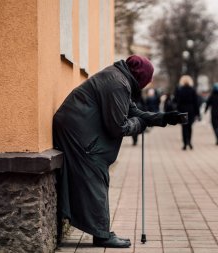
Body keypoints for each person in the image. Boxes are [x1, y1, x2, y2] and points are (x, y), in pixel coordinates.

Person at [53, 55, 184, 248]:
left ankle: (97, 230)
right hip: (78, 132)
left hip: (77, 128)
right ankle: (102, 235)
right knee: (96, 176)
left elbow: (133, 111)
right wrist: (140, 125)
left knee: (95, 177)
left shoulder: (119, 78)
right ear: (141, 78)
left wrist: (163, 118)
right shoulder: (118, 84)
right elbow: (118, 127)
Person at [174, 75, 199, 150]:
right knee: (190, 127)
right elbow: (196, 102)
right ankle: (189, 142)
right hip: (191, 110)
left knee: (184, 127)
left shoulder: (180, 90)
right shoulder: (193, 90)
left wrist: (177, 111)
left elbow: (177, 101)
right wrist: (197, 113)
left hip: (182, 110)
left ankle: (184, 143)